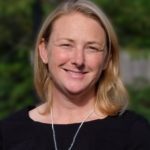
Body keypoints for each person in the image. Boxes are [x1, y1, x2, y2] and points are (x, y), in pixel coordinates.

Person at [0, 0, 150, 149]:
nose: (78, 60)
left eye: (92, 48)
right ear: (44, 51)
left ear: (107, 59)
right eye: (66, 45)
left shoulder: (134, 134)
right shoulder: (8, 134)